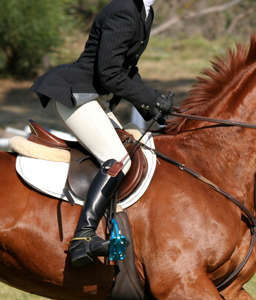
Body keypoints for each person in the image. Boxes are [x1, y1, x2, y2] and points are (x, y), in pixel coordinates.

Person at [31, 0, 172, 267]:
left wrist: (152, 107)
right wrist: (150, 98)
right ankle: (83, 239)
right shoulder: (124, 10)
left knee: (132, 150)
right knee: (118, 158)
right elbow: (109, 74)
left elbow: (128, 70)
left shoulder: (146, 12)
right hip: (77, 93)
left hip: (95, 97)